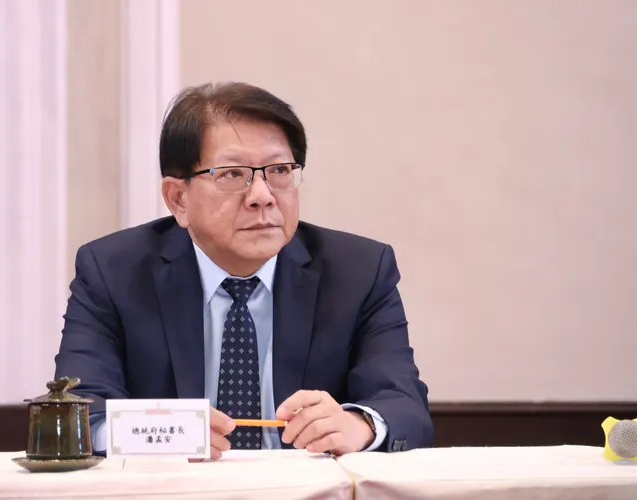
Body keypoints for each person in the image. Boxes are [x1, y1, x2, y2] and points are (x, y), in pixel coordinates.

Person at [54, 82, 433, 459]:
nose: (262, 196)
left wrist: (360, 425)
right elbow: (77, 411)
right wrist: (161, 433)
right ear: (178, 198)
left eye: (279, 170)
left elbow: (404, 405)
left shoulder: (359, 271)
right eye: (233, 174)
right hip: (175, 485)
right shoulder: (113, 272)